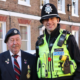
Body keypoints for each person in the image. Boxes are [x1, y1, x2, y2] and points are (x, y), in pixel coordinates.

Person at [36, 3, 80, 80]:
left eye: (52, 18)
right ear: (42, 22)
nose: (49, 22)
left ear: (58, 19)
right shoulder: (39, 42)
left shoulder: (69, 39)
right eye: (46, 19)